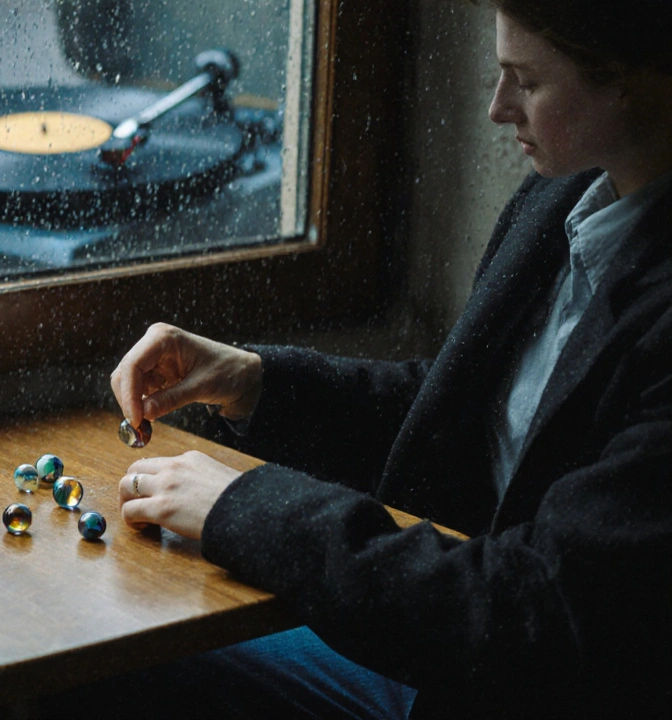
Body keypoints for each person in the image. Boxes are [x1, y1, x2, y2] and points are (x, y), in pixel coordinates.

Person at [104, 0, 672, 718]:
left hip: (502, 680)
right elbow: (465, 413)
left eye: (526, 82)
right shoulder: (561, 200)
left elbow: (539, 608)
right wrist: (255, 382)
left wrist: (243, 508)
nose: (499, 108)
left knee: (132, 660)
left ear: (639, 78)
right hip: (447, 642)